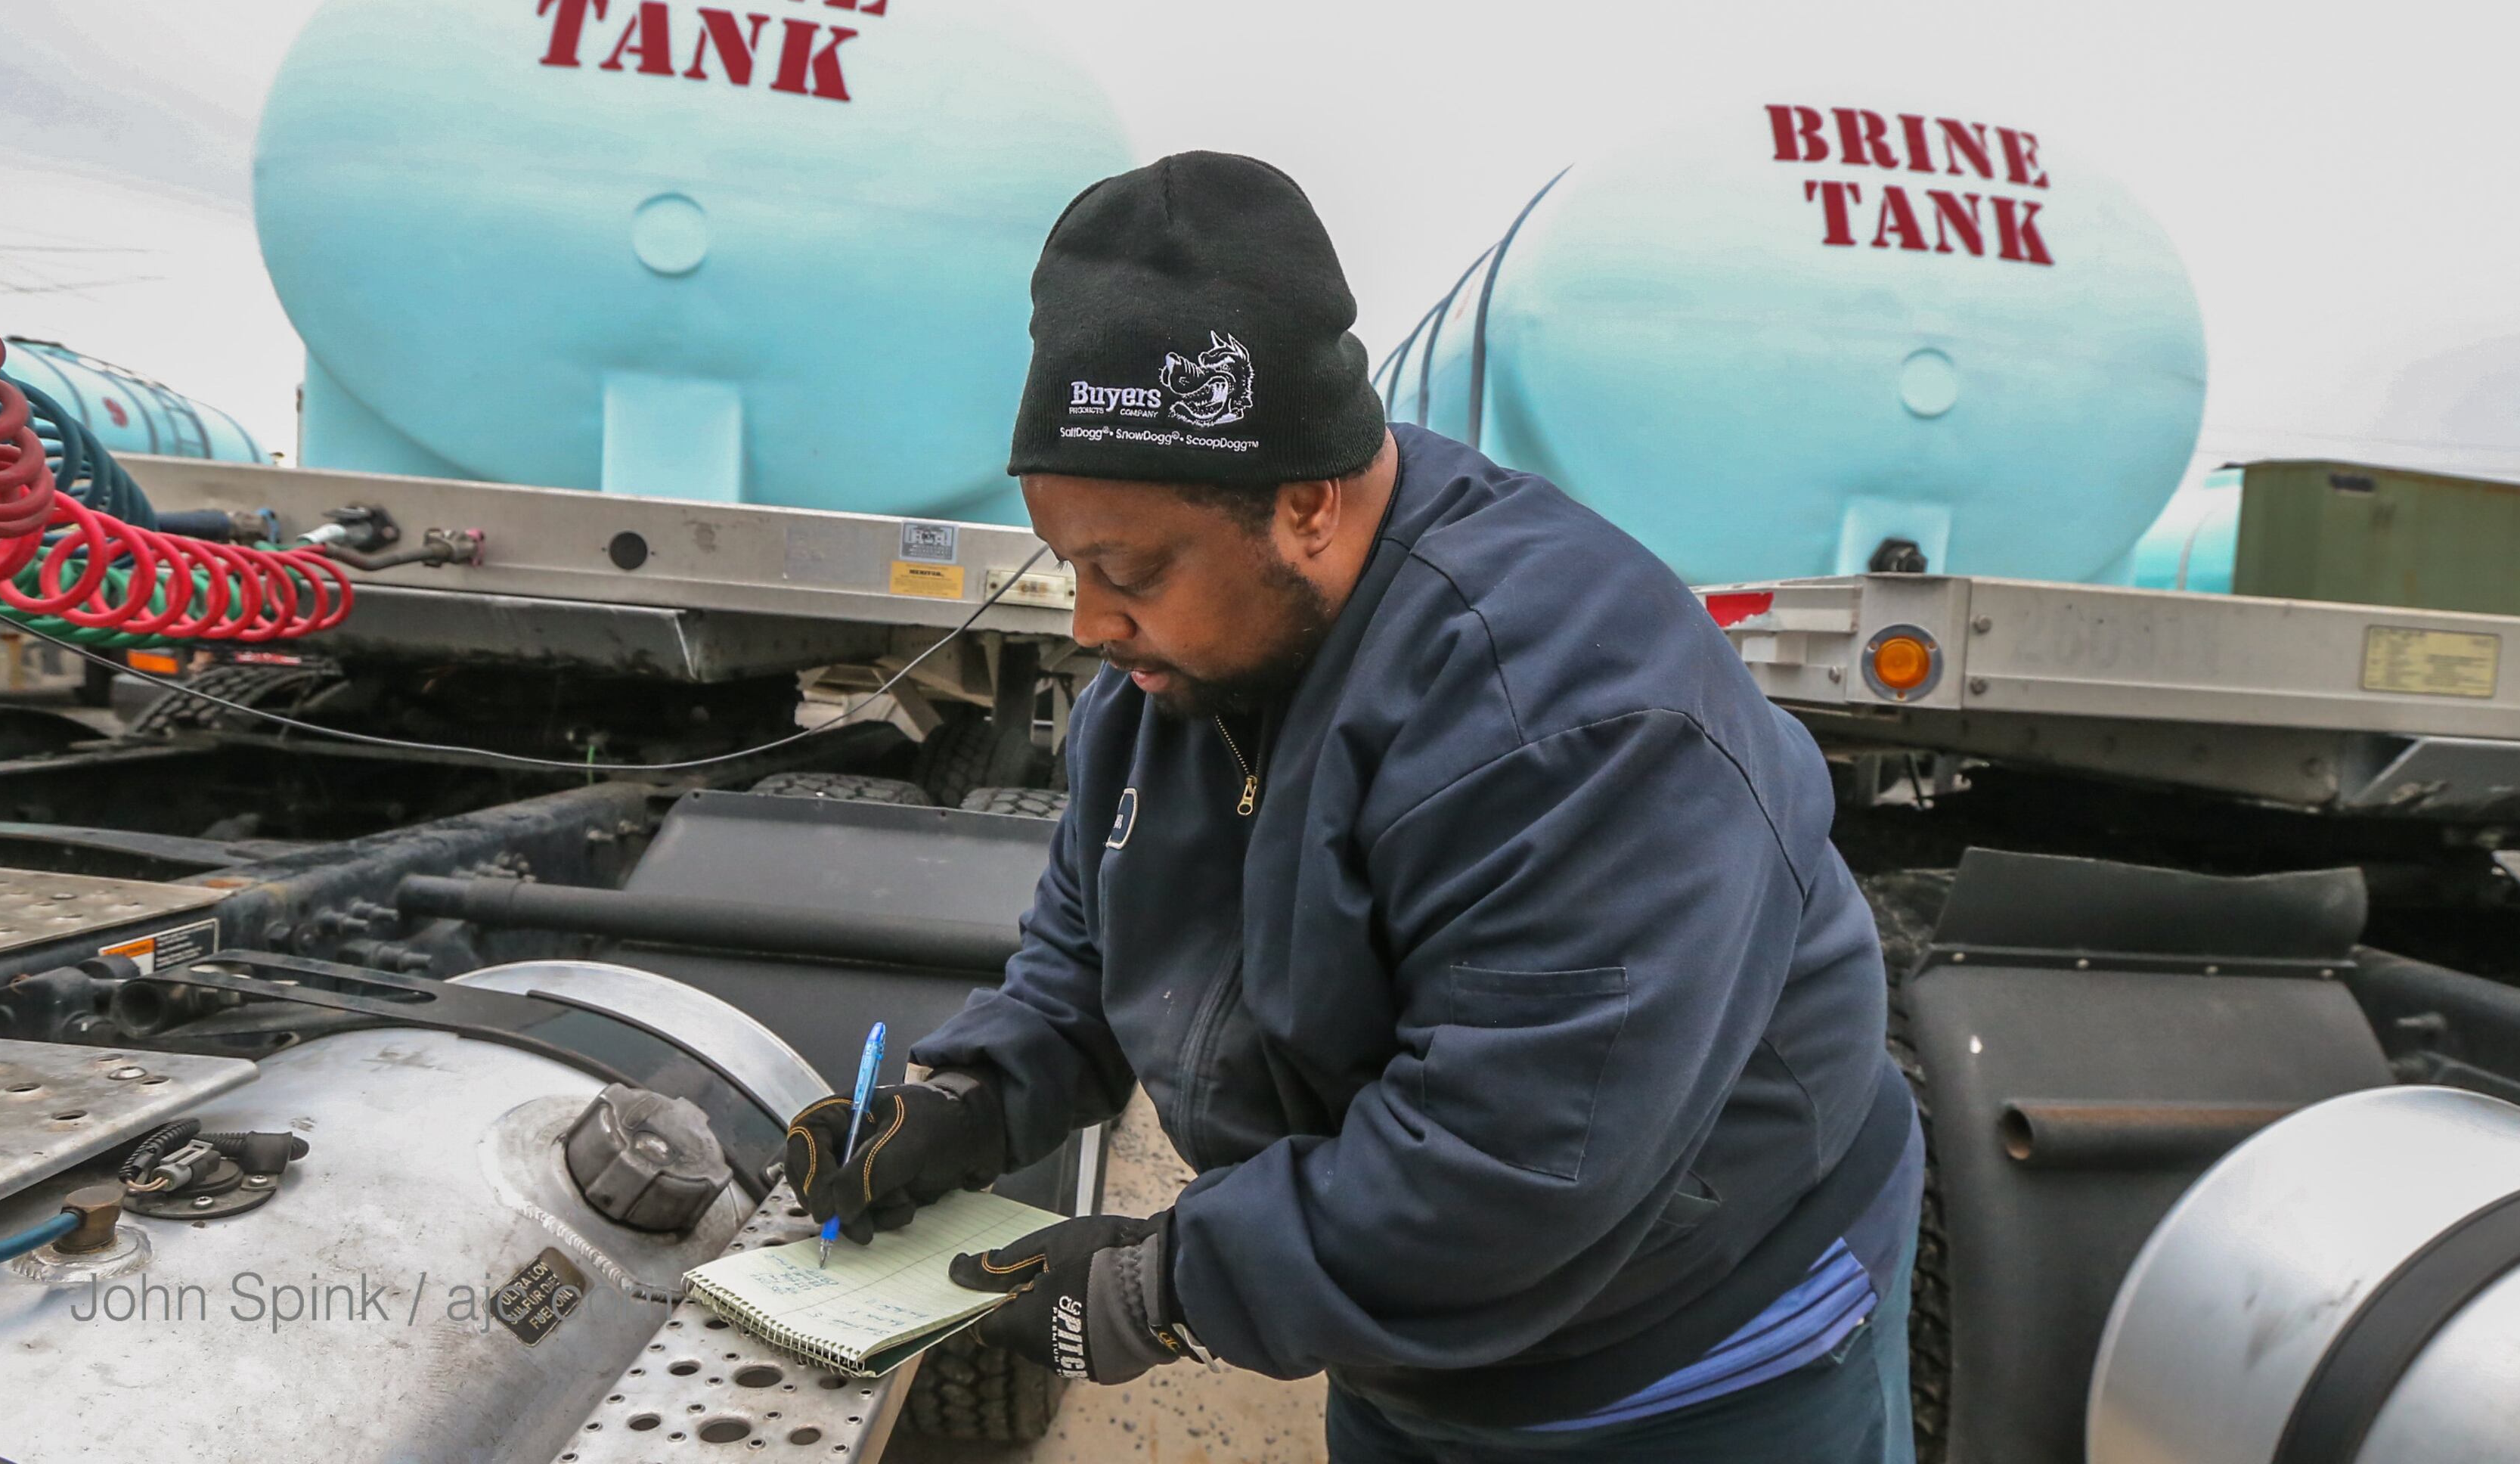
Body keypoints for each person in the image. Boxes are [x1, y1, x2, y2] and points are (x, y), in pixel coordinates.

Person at [785, 151, 1920, 1462]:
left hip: (1691, 1349)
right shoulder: (1176, 671)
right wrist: (970, 1101)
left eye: (1129, 567)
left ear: (1308, 504)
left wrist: (1167, 1286)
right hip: (1416, 1339)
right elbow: (1094, 958)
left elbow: (1508, 1165)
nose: (1093, 623)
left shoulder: (1567, 712)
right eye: (1069, 564)